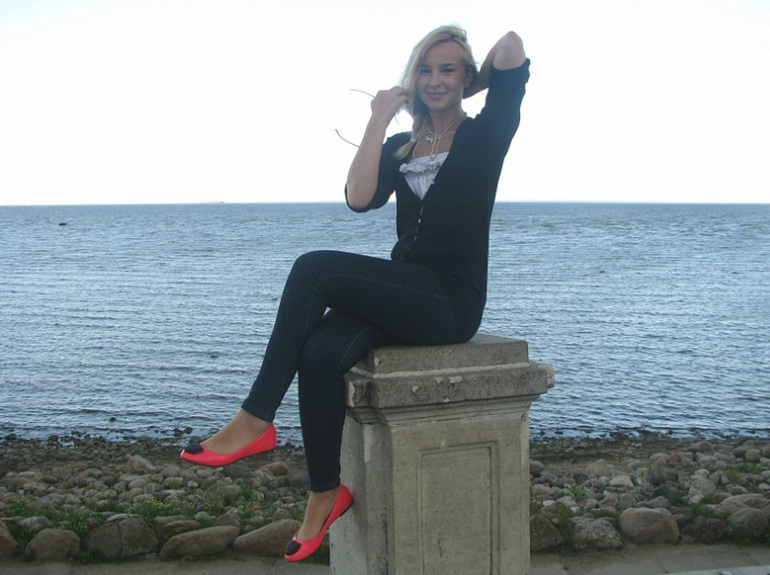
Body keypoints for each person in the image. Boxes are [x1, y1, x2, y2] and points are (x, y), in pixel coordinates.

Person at [180, 25, 529, 562]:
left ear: (465, 75)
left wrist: (467, 83)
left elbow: (510, 45)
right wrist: (379, 119)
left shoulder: (487, 133)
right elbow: (359, 198)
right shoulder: (402, 146)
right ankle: (325, 491)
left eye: (448, 70)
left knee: (312, 269)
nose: (435, 80)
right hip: (404, 290)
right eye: (426, 70)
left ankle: (255, 418)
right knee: (321, 350)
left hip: (449, 301)